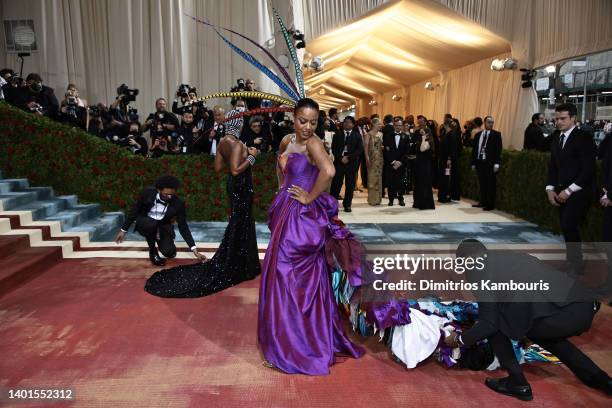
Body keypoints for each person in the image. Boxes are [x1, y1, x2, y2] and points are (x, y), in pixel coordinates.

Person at [258, 98, 365, 375]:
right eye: (302, 120)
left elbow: (328, 171)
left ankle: (297, 344)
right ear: (293, 118)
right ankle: (286, 340)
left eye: (313, 122)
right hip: (287, 211)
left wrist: (308, 196)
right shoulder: (286, 141)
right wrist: (282, 189)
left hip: (301, 220)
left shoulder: (313, 144)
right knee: (280, 276)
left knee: (286, 275)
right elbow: (280, 166)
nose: (307, 127)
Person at [445, 240, 611, 401]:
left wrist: (459, 340)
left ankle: (517, 382)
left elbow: (489, 323)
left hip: (562, 313)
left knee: (496, 326)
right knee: (547, 337)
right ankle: (603, 381)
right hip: (584, 305)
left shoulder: (477, 270)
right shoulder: (512, 257)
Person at [143, 123, 261, 297]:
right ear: (239, 127)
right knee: (242, 222)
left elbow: (218, 168)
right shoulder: (237, 144)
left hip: (233, 187)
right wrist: (252, 157)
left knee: (238, 222)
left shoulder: (222, 142)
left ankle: (239, 261)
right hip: (242, 186)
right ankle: (242, 265)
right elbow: (236, 171)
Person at [546, 103, 596, 275]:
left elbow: (588, 169)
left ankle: (577, 263)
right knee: (566, 227)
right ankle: (572, 260)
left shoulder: (584, 137)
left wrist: (569, 190)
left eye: (563, 119)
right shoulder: (556, 138)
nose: (559, 122)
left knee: (569, 225)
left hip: (579, 191)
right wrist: (549, 188)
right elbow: (553, 167)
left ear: (573, 118)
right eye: (556, 119)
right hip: (560, 191)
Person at [115, 175, 206, 266]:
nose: (169, 197)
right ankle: (153, 251)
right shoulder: (147, 193)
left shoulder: (178, 203)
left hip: (162, 226)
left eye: (171, 194)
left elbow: (183, 227)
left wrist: (194, 250)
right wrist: (123, 230)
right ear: (159, 190)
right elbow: (135, 211)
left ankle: (161, 239)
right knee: (151, 224)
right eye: (166, 194)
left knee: (169, 253)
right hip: (145, 223)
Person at [330, 116, 363, 212]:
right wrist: (340, 158)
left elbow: (359, 150)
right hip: (339, 163)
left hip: (351, 163)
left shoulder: (357, 135)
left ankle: (347, 204)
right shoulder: (337, 135)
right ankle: (332, 204)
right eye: (345, 122)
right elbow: (334, 148)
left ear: (353, 124)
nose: (347, 124)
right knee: (336, 184)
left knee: (350, 184)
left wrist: (348, 158)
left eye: (349, 122)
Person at [471, 116, 502, 211]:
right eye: (489, 122)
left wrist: (497, 163)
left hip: (490, 163)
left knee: (491, 184)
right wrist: (473, 163)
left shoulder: (496, 135)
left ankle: (490, 204)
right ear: (484, 123)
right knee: (482, 183)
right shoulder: (478, 135)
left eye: (492, 122)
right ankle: (483, 201)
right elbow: (475, 150)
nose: (491, 124)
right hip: (480, 162)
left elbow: (498, 150)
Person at [383, 117, 409, 206]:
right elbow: (386, 151)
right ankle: (391, 200)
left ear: (402, 126)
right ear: (394, 126)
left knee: (401, 183)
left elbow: (407, 151)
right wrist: (393, 161)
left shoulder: (406, 137)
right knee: (391, 183)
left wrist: (400, 162)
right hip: (391, 164)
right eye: (397, 125)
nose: (398, 127)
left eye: (400, 125)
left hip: (401, 164)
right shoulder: (388, 136)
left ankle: (401, 198)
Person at [412, 127, 435, 210]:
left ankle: (425, 204)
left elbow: (422, 149)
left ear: (428, 134)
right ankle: (418, 202)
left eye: (423, 133)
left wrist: (424, 139)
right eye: (421, 133)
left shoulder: (429, 142)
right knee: (418, 184)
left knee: (424, 184)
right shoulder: (422, 141)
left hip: (425, 166)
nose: (421, 135)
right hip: (419, 165)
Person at [366, 118, 384, 205]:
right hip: (371, 158)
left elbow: (381, 146)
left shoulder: (381, 134)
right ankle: (372, 199)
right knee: (372, 178)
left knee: (379, 178)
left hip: (380, 159)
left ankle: (378, 199)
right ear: (374, 124)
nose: (381, 125)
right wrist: (367, 159)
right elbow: (365, 148)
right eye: (379, 124)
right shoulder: (368, 134)